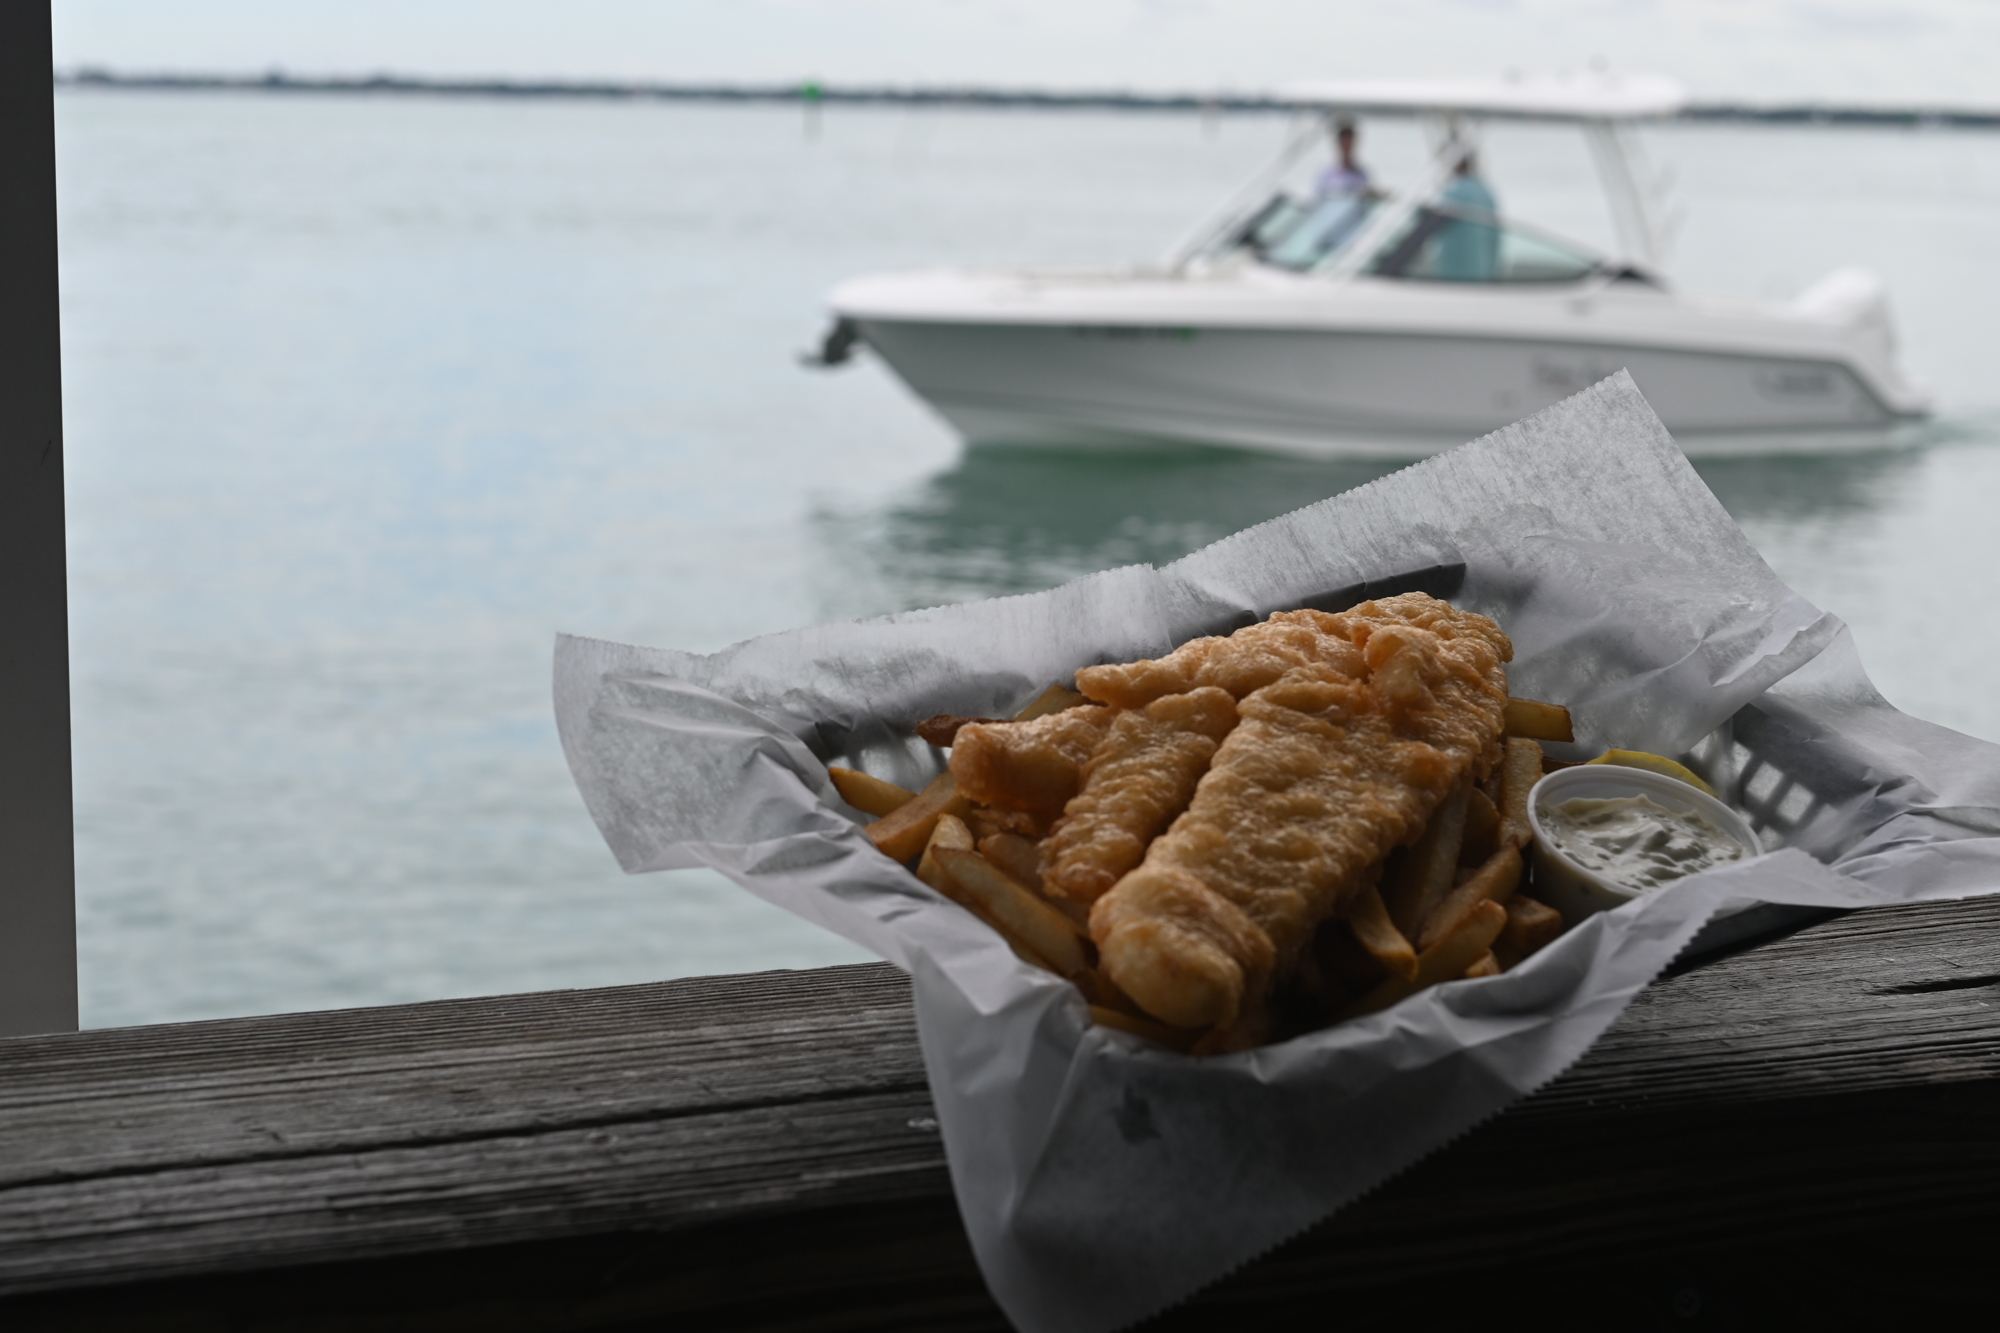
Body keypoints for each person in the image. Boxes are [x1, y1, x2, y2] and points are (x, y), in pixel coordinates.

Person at [1433, 150, 1501, 281]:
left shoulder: (1456, 193)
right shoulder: (1484, 191)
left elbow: (1433, 225)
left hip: (1458, 272)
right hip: (1482, 269)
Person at [1315, 119, 1369, 198]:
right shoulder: (1326, 176)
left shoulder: (1362, 176)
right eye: (1344, 143)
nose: (1347, 147)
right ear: (1339, 144)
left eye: (1349, 144)